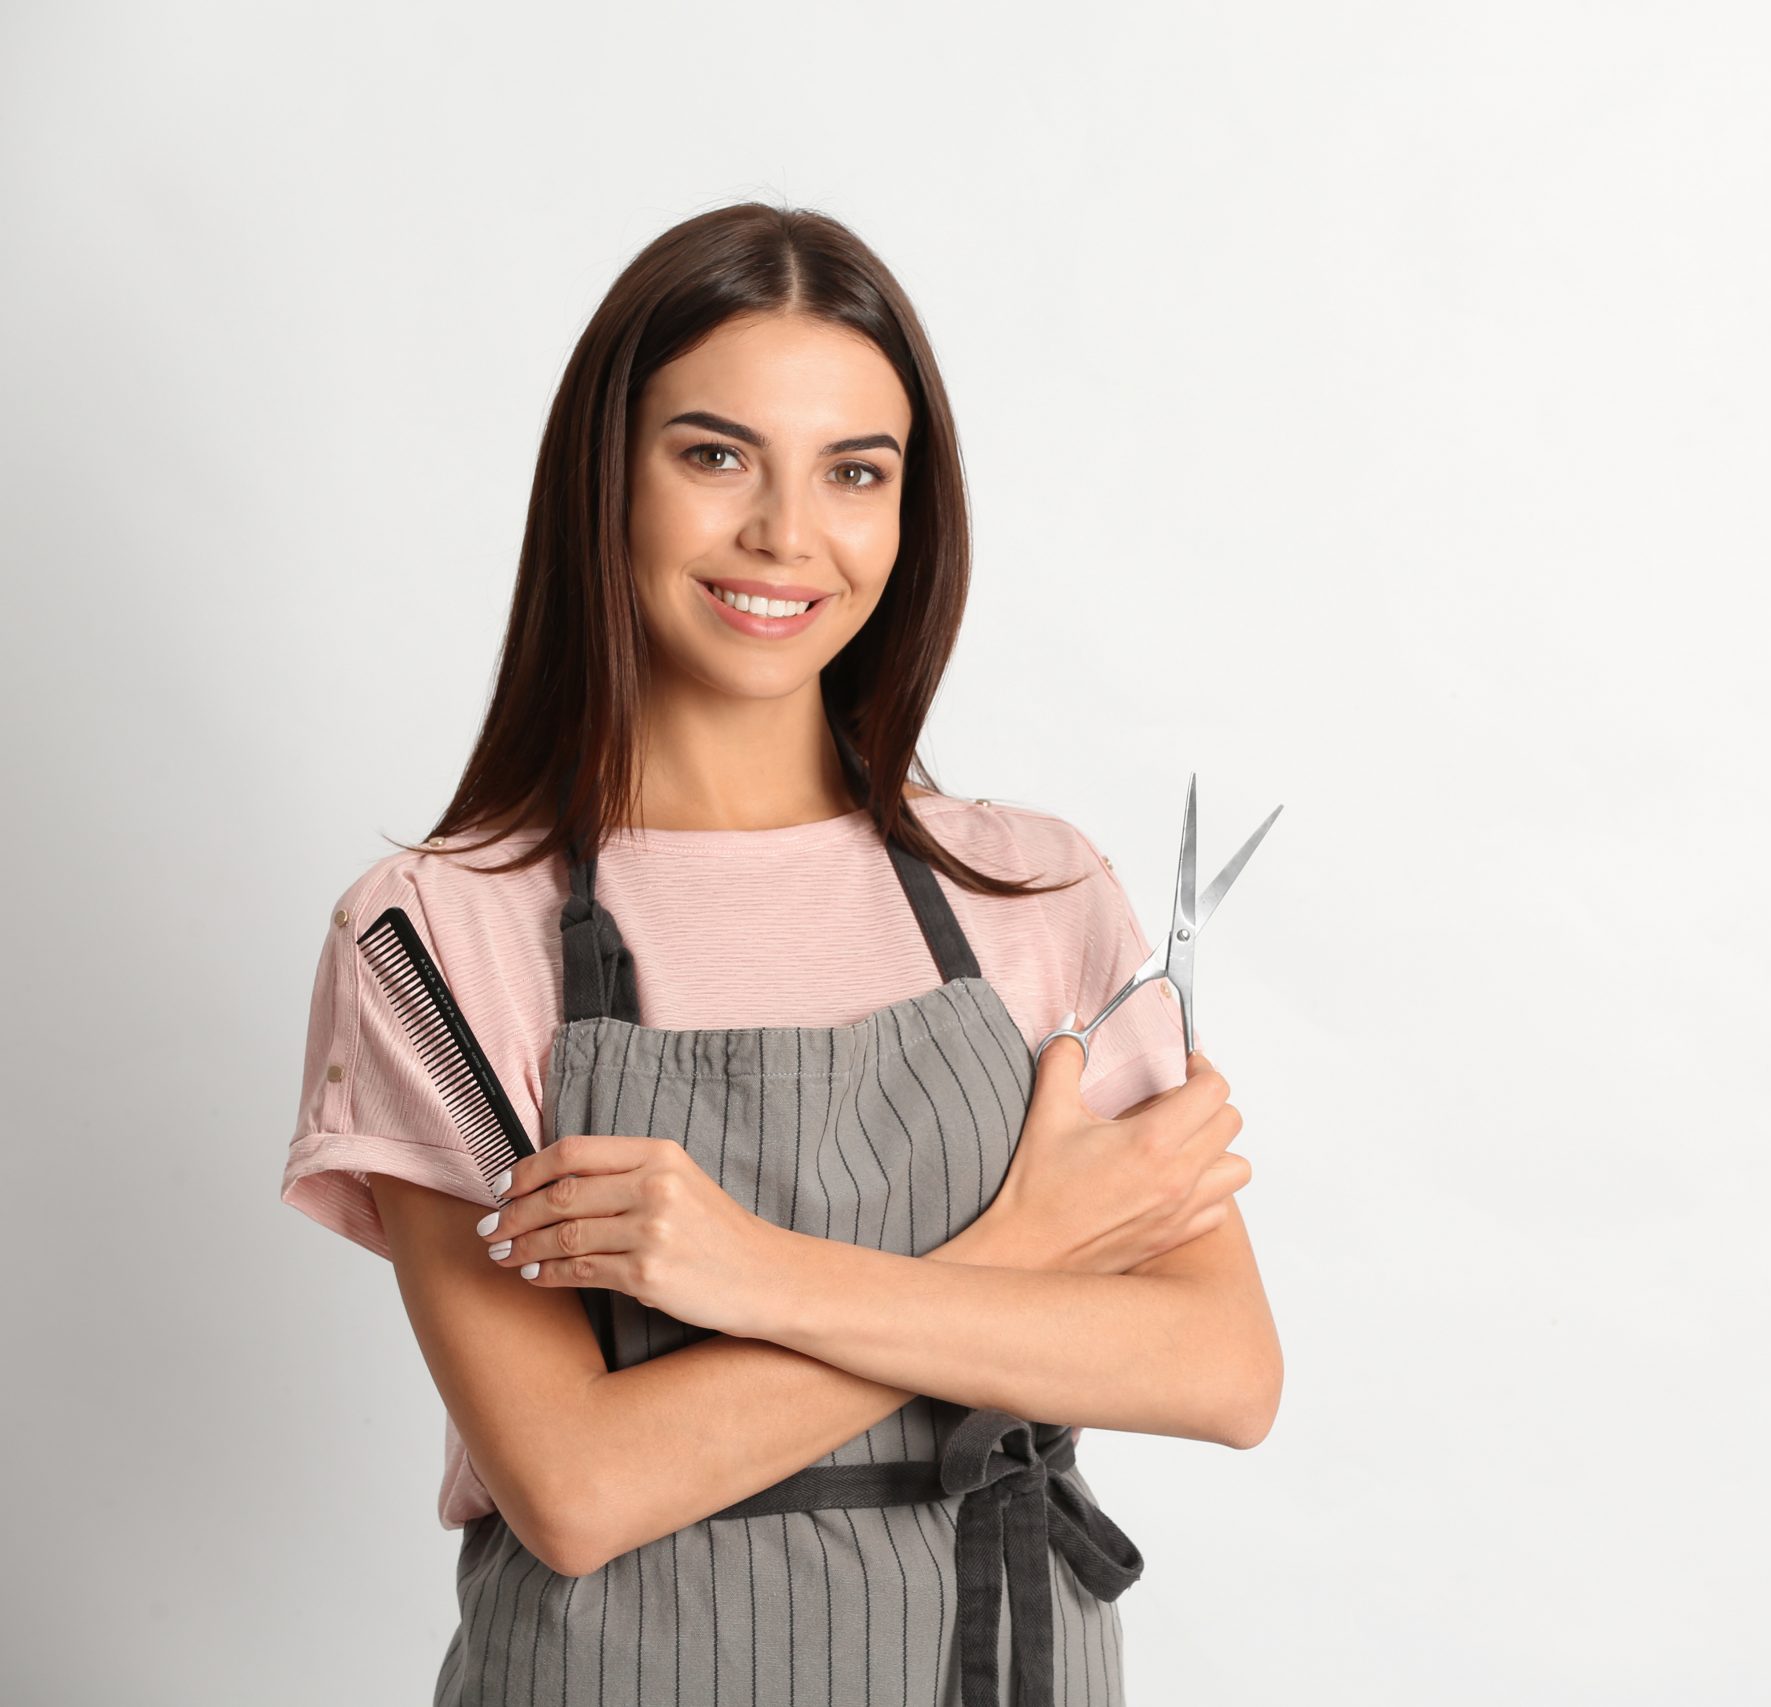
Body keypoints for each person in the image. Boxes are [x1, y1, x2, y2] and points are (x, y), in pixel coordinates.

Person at [277, 201, 1281, 1706]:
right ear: (603, 479)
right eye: (714, 454)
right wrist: (1022, 1253)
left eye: (854, 473)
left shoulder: (1036, 889)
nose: (785, 536)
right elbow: (577, 1486)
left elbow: (1221, 1370)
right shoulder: (434, 938)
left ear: (907, 512)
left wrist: (754, 1273)